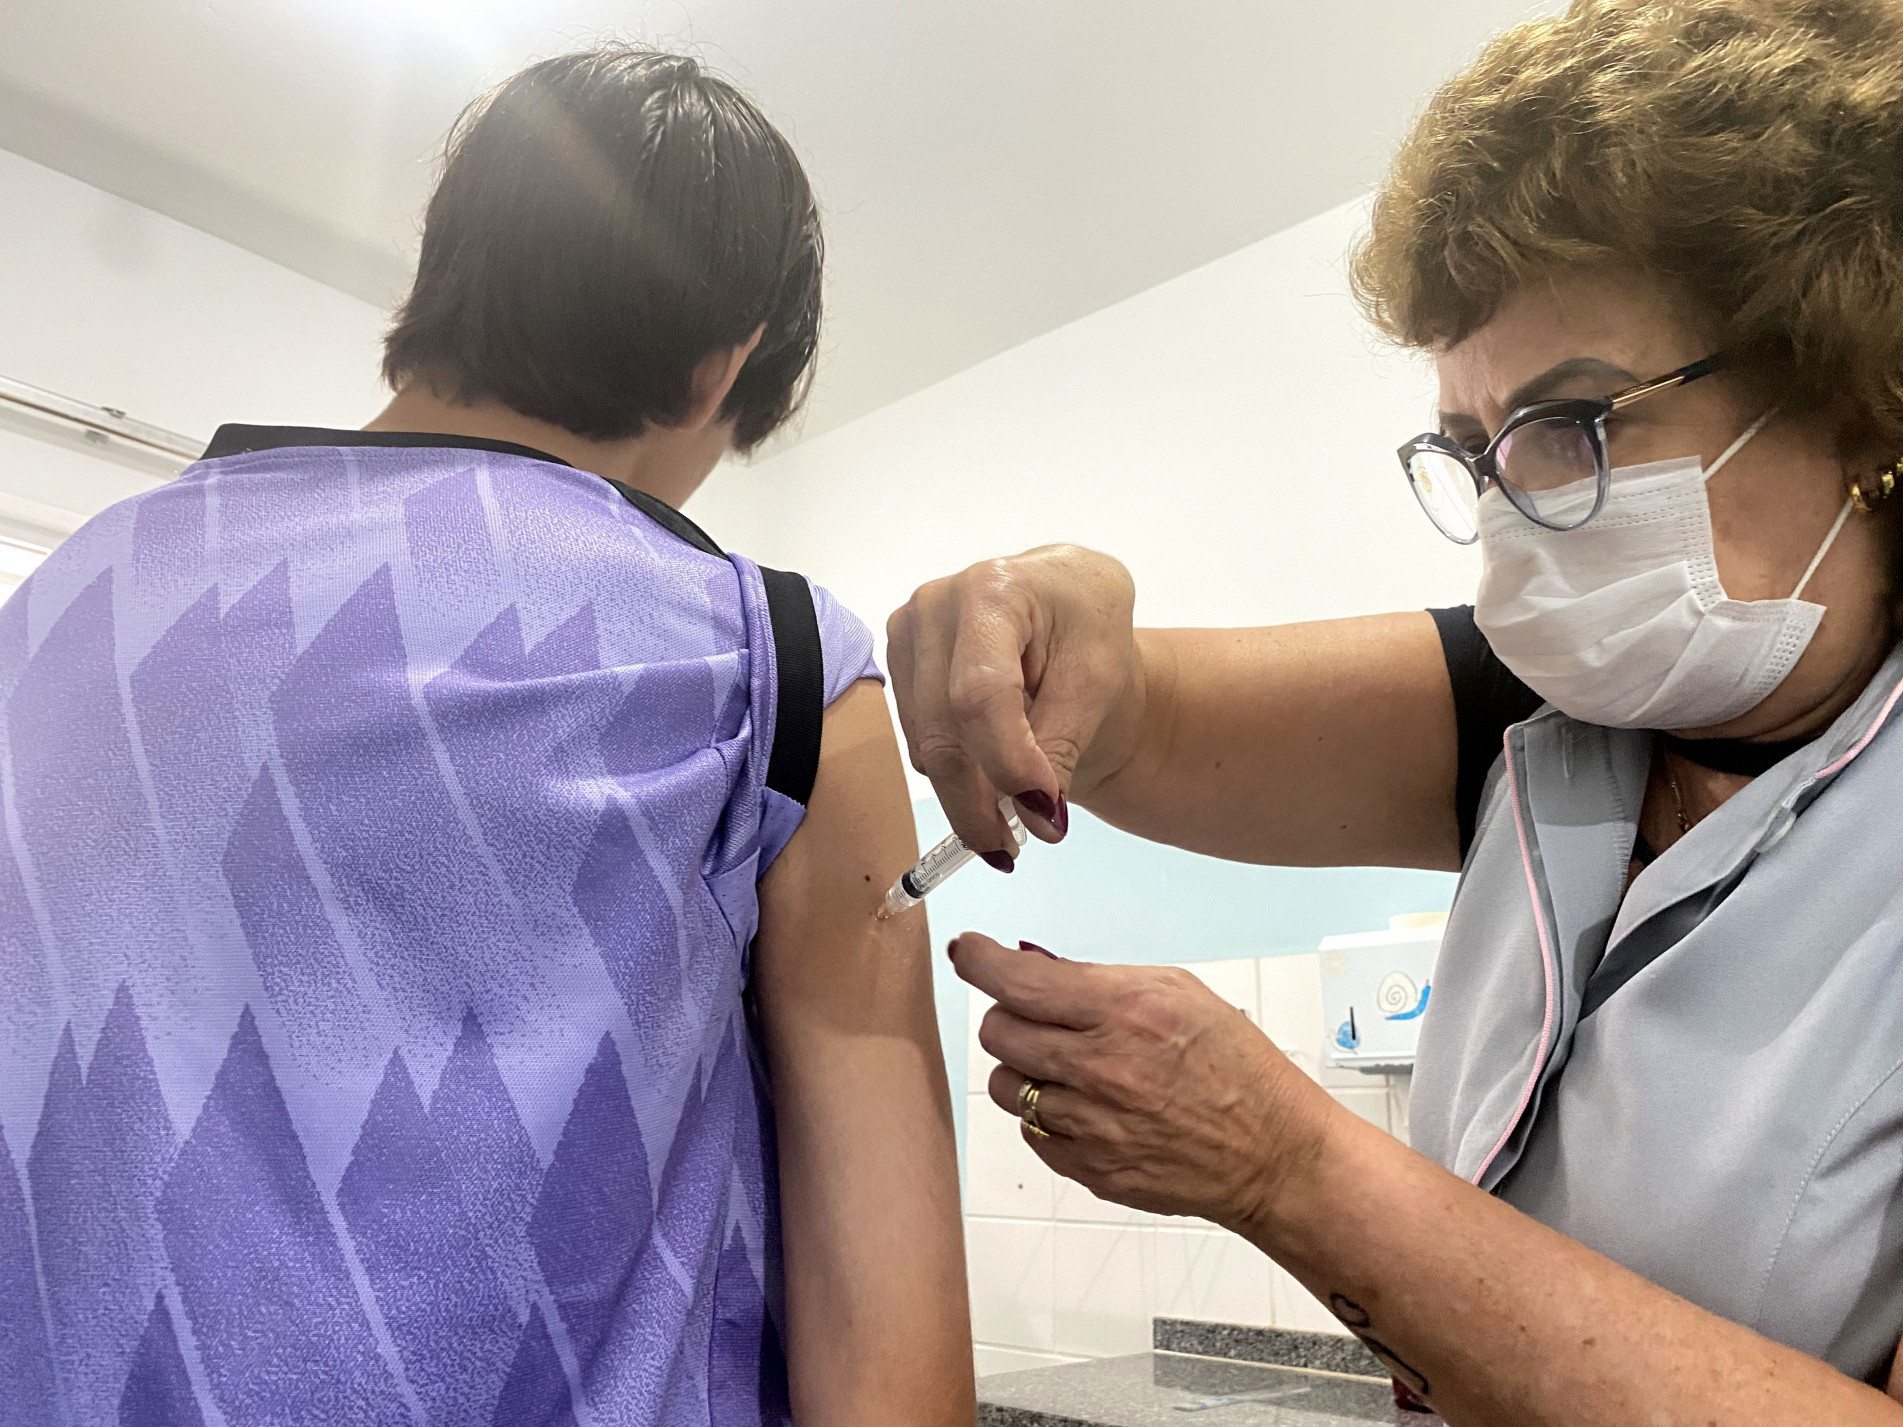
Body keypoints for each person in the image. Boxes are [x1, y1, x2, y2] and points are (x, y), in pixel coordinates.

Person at [886, 2, 1903, 1421]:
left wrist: (1288, 1168)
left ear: (1861, 399)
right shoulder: (1548, 725)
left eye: (1578, 423)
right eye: (1472, 447)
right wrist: (1057, 615)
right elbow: (1132, 718)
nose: (1515, 510)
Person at [0, 47, 973, 1427]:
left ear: (442, 279)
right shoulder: (775, 664)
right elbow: (890, 1371)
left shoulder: (52, 614)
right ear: (720, 368)